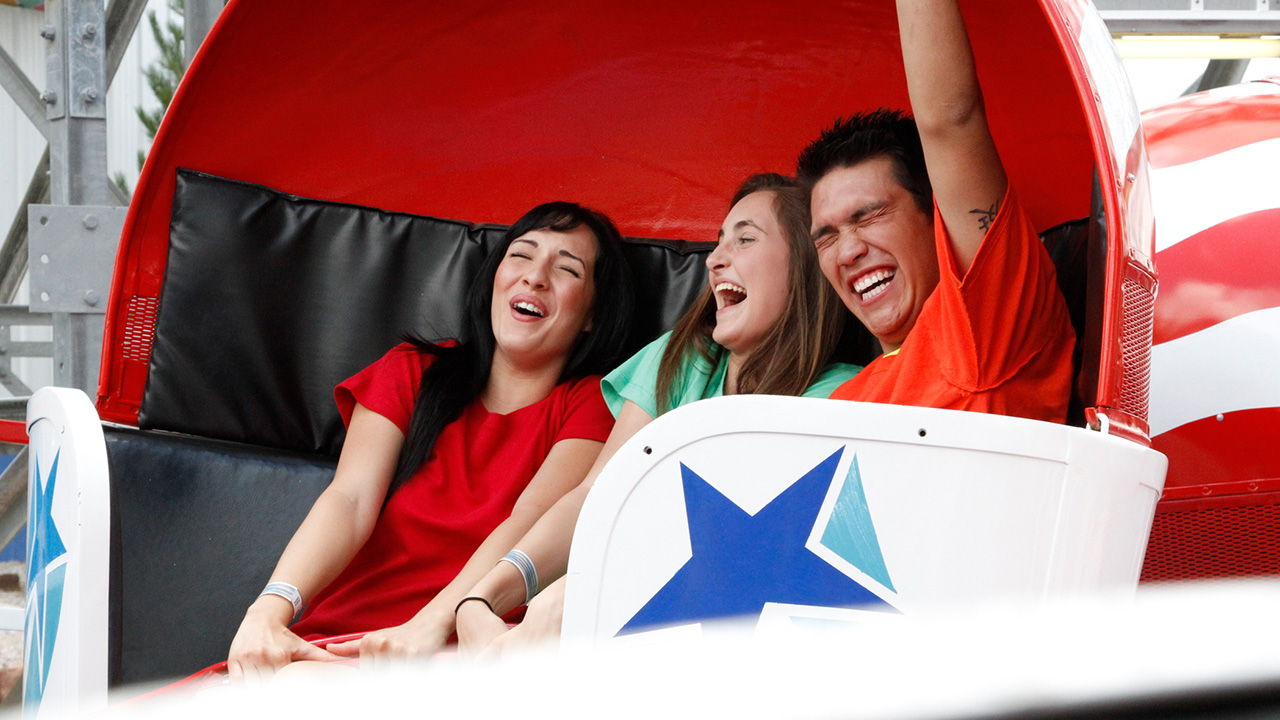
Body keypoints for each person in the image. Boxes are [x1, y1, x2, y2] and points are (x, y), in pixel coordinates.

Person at [453, 173, 861, 657]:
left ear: (806, 266)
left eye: (745, 239)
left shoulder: (841, 397)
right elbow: (596, 494)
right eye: (717, 242)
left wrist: (577, 594)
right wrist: (482, 596)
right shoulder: (681, 357)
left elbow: (729, 547)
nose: (714, 260)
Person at [225, 202, 634, 679]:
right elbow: (349, 499)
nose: (534, 277)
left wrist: (431, 624)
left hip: (461, 654)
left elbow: (532, 518)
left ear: (593, 315)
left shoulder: (596, 403)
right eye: (521, 256)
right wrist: (268, 612)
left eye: (567, 269)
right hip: (341, 639)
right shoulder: (413, 370)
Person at [797, 0, 1074, 421]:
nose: (847, 251)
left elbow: (952, 120)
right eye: (828, 236)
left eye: (868, 216)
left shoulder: (983, 328)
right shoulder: (845, 401)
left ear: (937, 220)